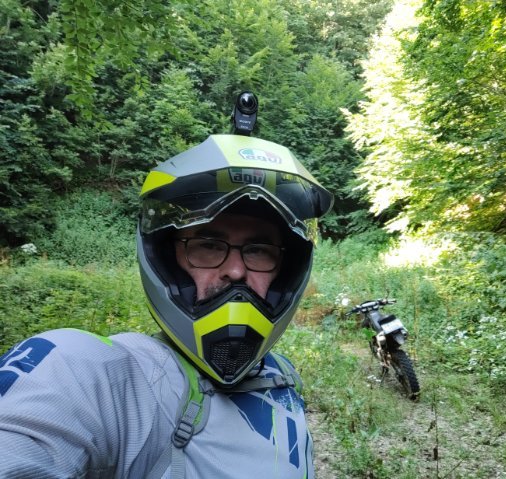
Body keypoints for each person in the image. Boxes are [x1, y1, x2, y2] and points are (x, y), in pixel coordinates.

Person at [0, 131, 333, 478]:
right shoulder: (93, 374)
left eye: (259, 250)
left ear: (284, 272)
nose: (235, 271)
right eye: (208, 245)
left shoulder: (281, 375)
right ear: (167, 259)